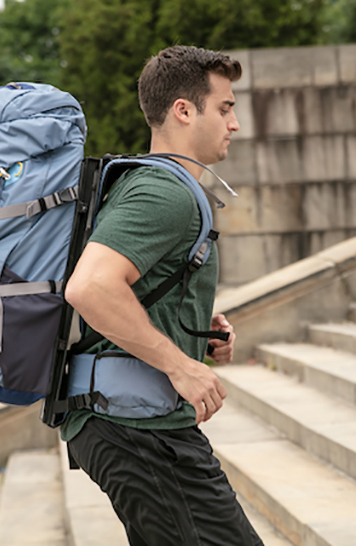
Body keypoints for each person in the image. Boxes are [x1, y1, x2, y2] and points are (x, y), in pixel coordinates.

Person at [62, 45, 263, 546]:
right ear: (183, 110)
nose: (234, 123)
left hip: (130, 422)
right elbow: (90, 286)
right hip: (136, 429)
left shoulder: (161, 185)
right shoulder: (163, 192)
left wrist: (195, 324)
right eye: (225, 107)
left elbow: (135, 286)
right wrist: (180, 364)